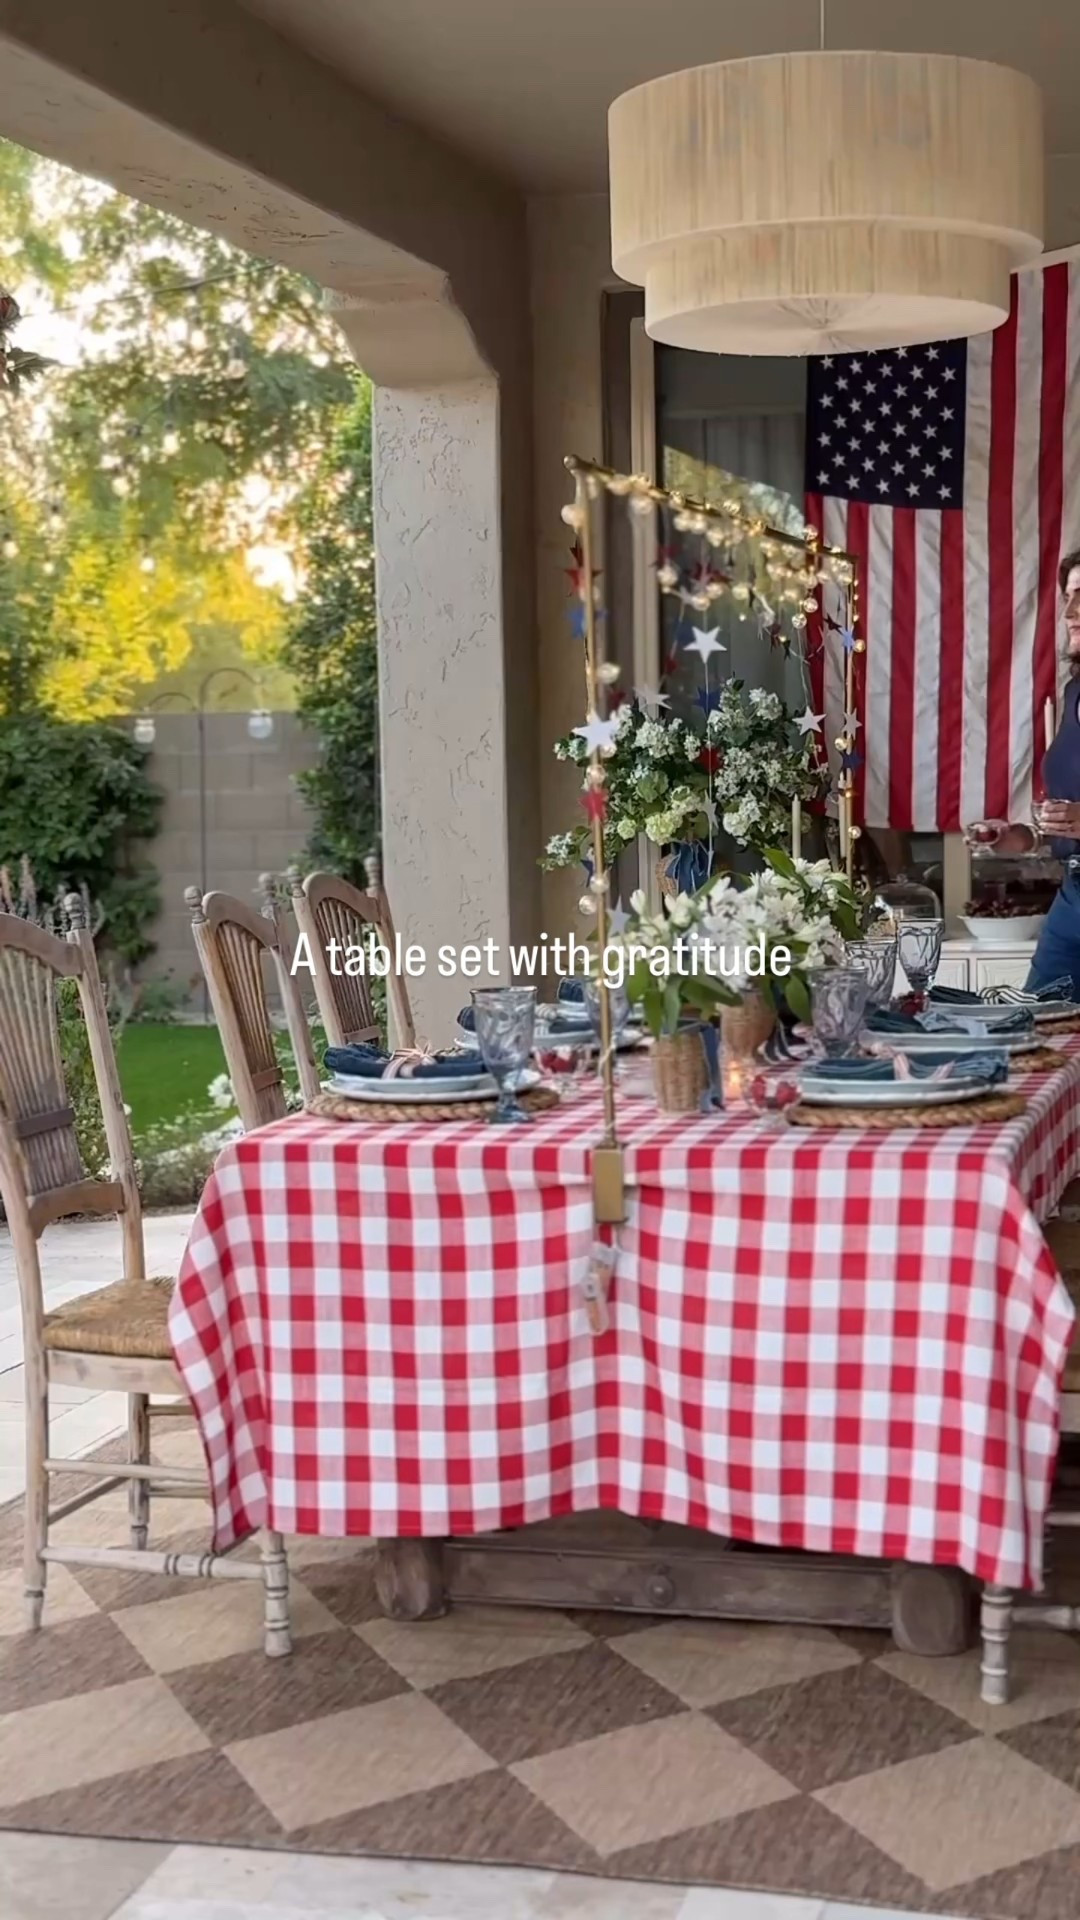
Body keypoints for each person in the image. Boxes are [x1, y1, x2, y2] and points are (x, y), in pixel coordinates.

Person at [971, 549, 1080, 993]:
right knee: (1035, 1033)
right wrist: (1025, 838)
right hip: (1072, 899)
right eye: (1068, 597)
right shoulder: (1074, 692)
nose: (1069, 612)